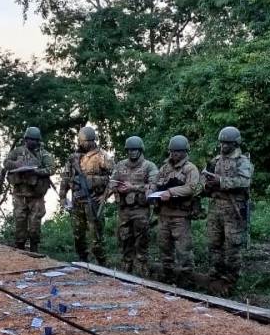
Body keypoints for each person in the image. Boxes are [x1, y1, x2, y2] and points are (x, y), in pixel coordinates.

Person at [202, 126, 254, 295]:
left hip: (233, 208)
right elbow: (205, 178)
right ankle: (215, 274)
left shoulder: (242, 161)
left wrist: (221, 181)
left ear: (235, 143)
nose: (224, 146)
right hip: (215, 206)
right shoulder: (215, 160)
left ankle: (231, 279)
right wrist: (207, 184)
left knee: (232, 245)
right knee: (213, 243)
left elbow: (244, 182)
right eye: (222, 143)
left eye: (228, 143)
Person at [151, 135, 200, 286]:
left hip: (180, 216)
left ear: (185, 152)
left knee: (183, 250)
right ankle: (168, 278)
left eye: (178, 151)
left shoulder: (190, 168)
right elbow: (155, 182)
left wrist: (171, 192)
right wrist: (151, 190)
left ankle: (186, 281)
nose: (174, 154)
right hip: (164, 214)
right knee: (164, 248)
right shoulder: (165, 167)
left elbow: (191, 187)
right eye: (172, 151)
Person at [59, 126, 113, 264]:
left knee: (96, 236)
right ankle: (82, 261)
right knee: (78, 235)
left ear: (90, 141)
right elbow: (65, 178)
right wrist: (63, 197)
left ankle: (102, 264)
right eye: (80, 141)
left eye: (83, 141)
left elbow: (115, 178)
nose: (80, 144)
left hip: (93, 202)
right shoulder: (73, 158)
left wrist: (104, 196)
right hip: (77, 201)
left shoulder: (102, 156)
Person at [107, 136, 158, 276]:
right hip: (124, 210)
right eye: (130, 150)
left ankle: (142, 274)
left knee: (142, 243)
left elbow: (154, 186)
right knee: (124, 241)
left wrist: (133, 187)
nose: (132, 152)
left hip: (140, 209)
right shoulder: (120, 165)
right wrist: (116, 188)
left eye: (135, 149)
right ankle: (125, 273)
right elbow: (112, 182)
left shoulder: (149, 166)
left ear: (140, 150)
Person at [3, 126, 55, 252]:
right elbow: (6, 163)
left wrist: (37, 171)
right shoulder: (17, 152)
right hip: (20, 194)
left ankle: (34, 249)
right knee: (20, 223)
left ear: (38, 141)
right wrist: (17, 165)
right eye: (28, 139)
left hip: (36, 195)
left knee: (34, 225)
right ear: (25, 139)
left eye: (34, 139)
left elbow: (51, 169)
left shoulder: (44, 154)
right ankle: (20, 248)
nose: (30, 142)